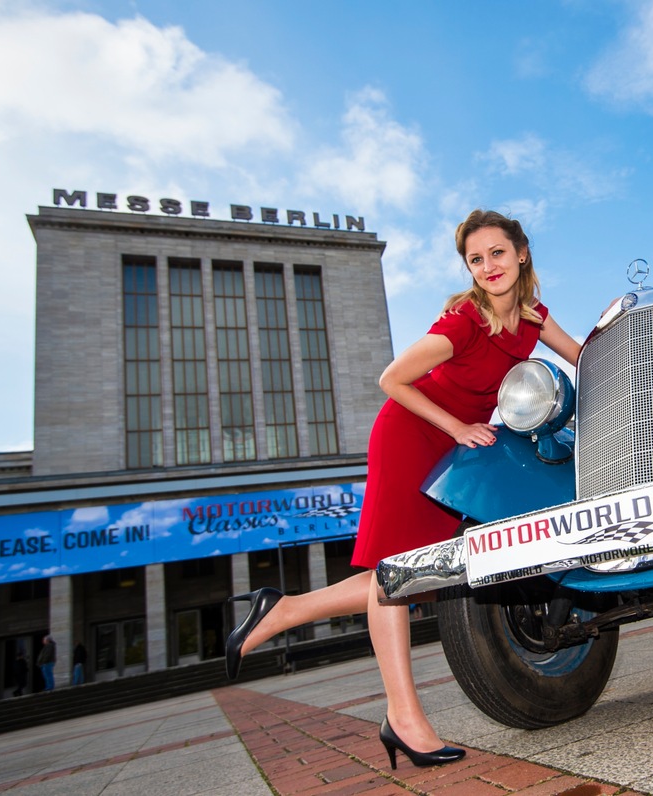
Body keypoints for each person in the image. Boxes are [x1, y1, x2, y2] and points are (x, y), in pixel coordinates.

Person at [225, 209, 581, 769]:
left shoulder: (534, 318)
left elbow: (582, 356)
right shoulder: (464, 321)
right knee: (396, 575)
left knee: (411, 575)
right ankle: (404, 719)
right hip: (413, 435)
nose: (488, 266)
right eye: (476, 259)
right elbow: (391, 379)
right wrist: (459, 427)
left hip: (454, 448)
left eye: (497, 253)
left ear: (521, 253)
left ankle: (282, 611)